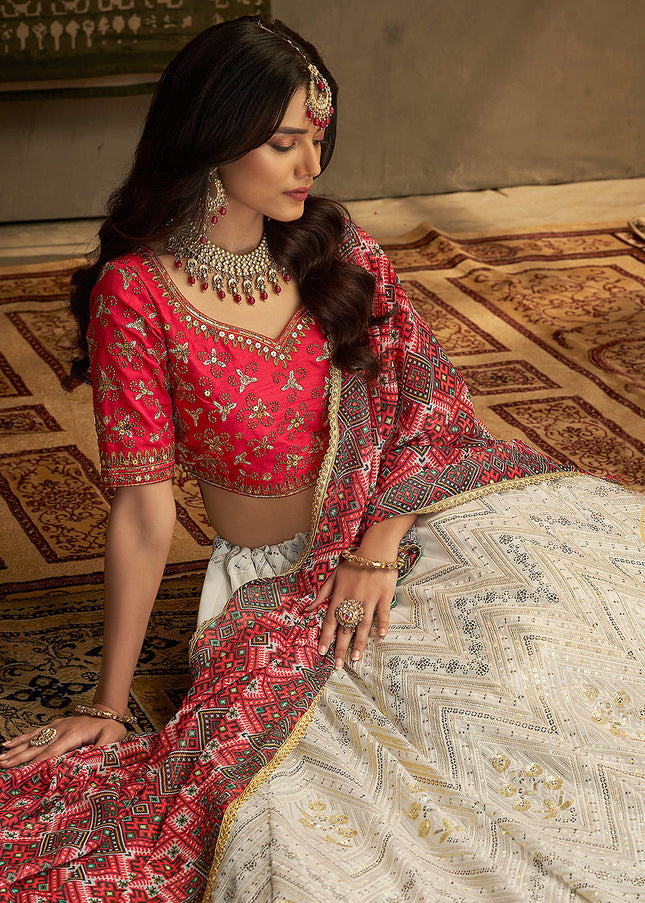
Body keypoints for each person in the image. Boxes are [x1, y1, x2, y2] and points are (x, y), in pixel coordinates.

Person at [0, 15, 644, 903]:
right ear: (213, 138)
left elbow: (427, 413)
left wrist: (375, 548)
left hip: (407, 522)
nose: (311, 166)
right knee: (369, 779)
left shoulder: (336, 253)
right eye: (283, 143)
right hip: (279, 584)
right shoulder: (136, 294)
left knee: (560, 630)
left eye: (316, 138)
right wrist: (109, 706)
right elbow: (144, 512)